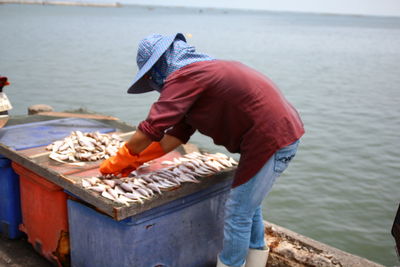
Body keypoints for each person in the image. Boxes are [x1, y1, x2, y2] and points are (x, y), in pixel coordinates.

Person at [100, 33, 304, 267]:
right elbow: (175, 137)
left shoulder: (187, 75)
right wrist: (136, 161)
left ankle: (231, 264)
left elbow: (152, 127)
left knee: (238, 212)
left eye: (150, 75)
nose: (153, 82)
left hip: (272, 139)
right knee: (249, 205)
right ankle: (256, 260)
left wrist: (119, 159)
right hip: (278, 135)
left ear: (160, 66)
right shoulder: (202, 75)